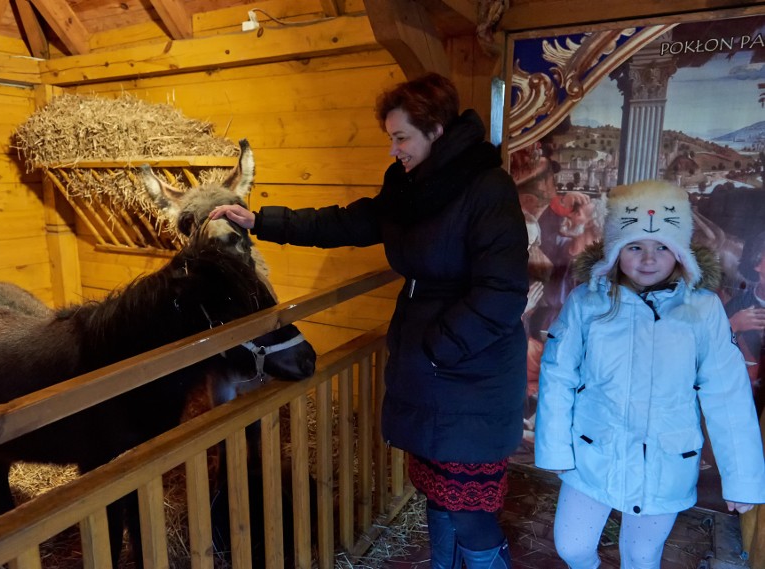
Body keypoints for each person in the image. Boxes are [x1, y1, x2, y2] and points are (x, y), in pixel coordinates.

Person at [210, 72, 529, 568]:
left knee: (469, 507)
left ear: (437, 130)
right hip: (431, 369)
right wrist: (264, 221)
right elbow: (345, 222)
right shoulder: (409, 188)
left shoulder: (487, 188)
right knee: (439, 493)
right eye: (390, 138)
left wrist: (439, 348)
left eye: (401, 137)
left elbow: (504, 292)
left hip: (472, 372)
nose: (393, 150)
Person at [535, 180, 765, 569]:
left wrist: (741, 479)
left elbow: (727, 396)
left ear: (679, 251)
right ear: (614, 249)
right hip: (593, 453)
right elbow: (558, 377)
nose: (648, 258)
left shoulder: (703, 311)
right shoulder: (587, 303)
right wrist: (555, 448)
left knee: (641, 557)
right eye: (634, 245)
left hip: (665, 460)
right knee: (572, 547)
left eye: (662, 246)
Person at [724, 229, 765, 416]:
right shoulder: (737, 306)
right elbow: (705, 355)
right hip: (742, 409)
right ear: (758, 263)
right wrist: (733, 325)